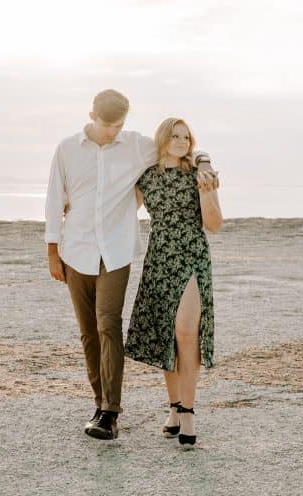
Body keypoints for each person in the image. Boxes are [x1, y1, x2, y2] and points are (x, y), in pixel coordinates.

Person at [44, 90, 218, 441]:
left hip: (118, 252)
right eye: (107, 124)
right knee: (89, 331)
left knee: (110, 323)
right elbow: (53, 200)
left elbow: (179, 146)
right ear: (92, 115)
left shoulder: (137, 146)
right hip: (77, 250)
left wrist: (204, 162)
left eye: (119, 125)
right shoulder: (66, 149)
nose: (112, 131)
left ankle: (110, 412)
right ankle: (103, 402)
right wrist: (52, 250)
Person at [124, 117, 222, 448]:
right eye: (176, 135)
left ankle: (190, 410)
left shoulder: (199, 173)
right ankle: (175, 406)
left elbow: (215, 224)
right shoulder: (147, 178)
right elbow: (121, 210)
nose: (182, 141)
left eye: (187, 137)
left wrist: (207, 192)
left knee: (185, 330)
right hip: (160, 258)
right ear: (163, 139)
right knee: (166, 333)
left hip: (192, 255)